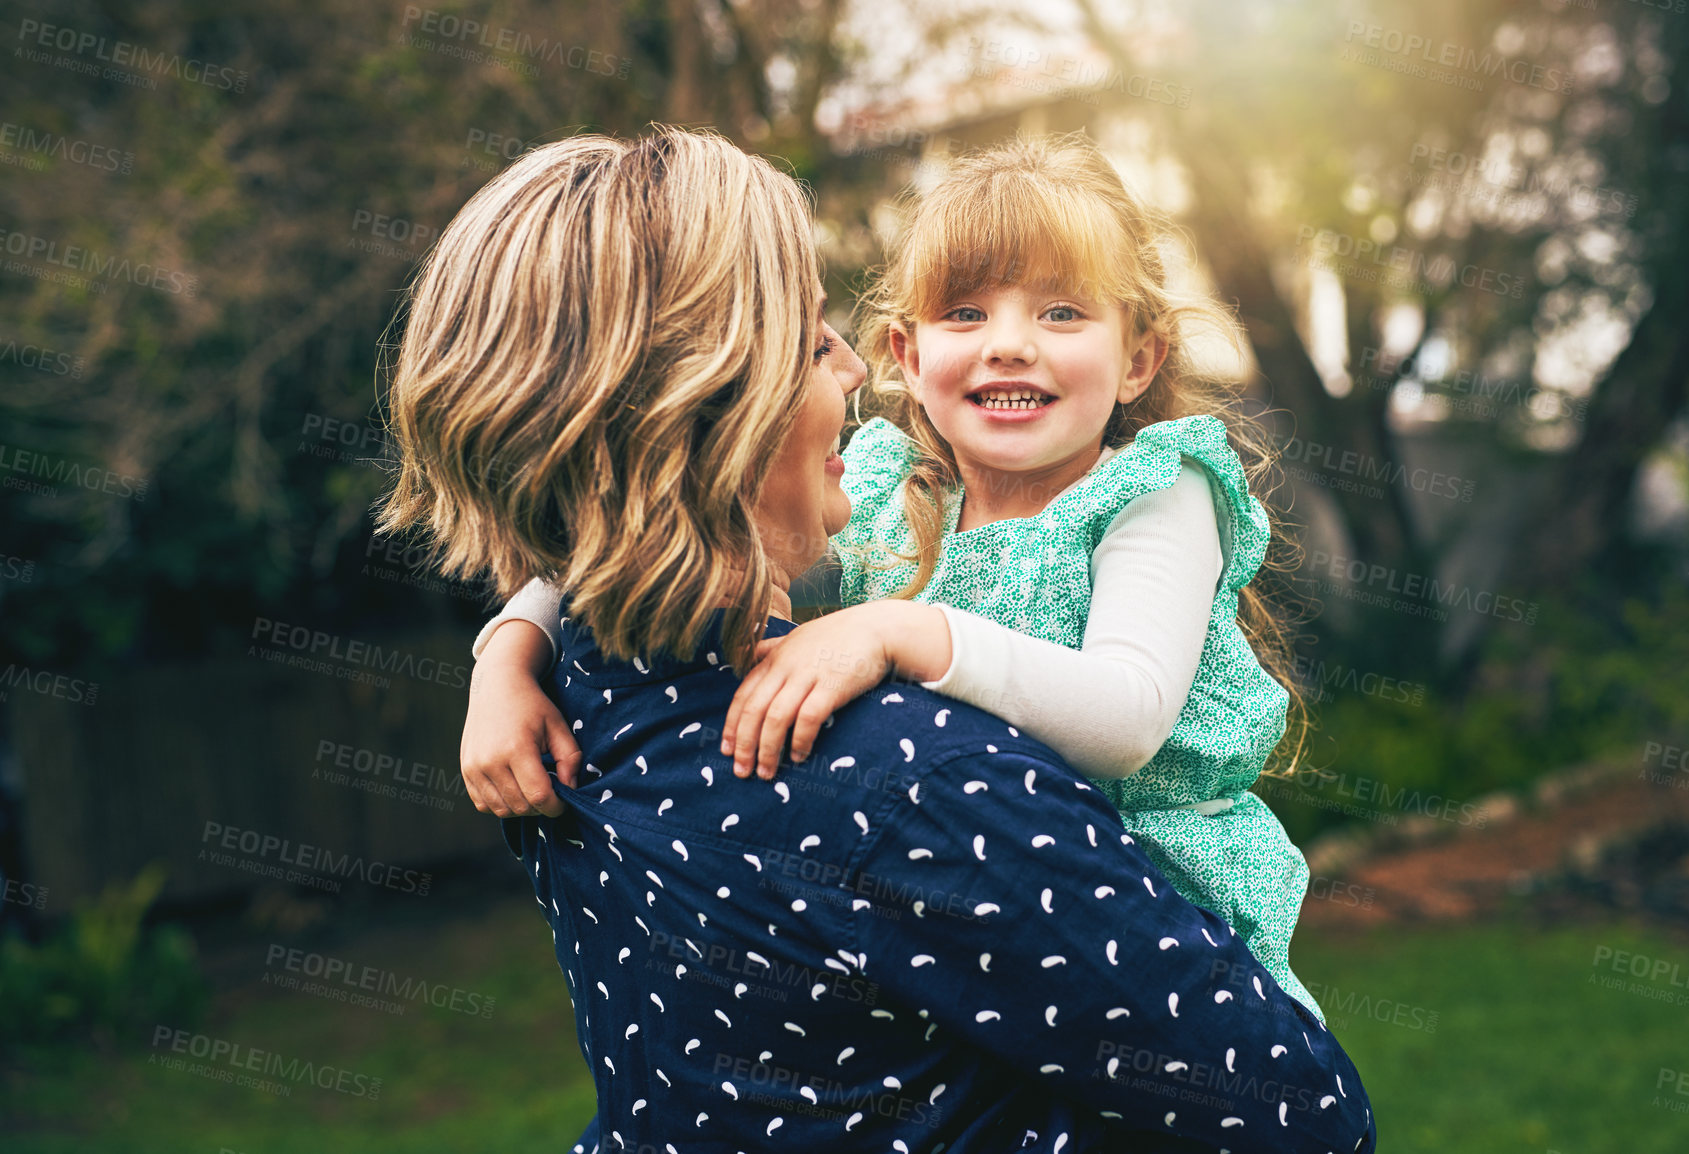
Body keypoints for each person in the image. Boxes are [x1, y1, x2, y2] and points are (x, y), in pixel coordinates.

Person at [382, 126, 1375, 1152]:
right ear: (718, 407)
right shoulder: (909, 739)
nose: (1008, 343)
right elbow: (1307, 1119)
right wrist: (504, 646)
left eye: (1061, 311)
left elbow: (1124, 719)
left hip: (1163, 867)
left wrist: (906, 628)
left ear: (1140, 358)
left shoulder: (597, 708)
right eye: (818, 343)